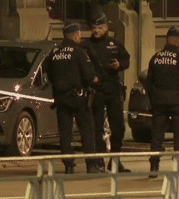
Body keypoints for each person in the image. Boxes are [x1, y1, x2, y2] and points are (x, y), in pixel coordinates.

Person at [45, 20, 100, 174]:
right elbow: (90, 76)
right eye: (79, 34)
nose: (81, 37)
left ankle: (68, 165)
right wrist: (95, 80)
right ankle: (91, 165)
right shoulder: (78, 52)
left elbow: (48, 74)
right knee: (87, 130)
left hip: (61, 98)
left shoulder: (54, 53)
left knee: (65, 132)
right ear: (74, 35)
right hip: (78, 98)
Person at [80, 12, 131, 172]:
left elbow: (126, 59)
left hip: (113, 89)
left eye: (100, 28)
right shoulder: (86, 45)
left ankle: (115, 161)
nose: (96, 31)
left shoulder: (114, 43)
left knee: (118, 127)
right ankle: (99, 160)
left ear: (106, 27)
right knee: (97, 128)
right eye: (94, 28)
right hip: (96, 91)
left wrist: (119, 65)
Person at [146, 26, 179, 178]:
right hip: (177, 102)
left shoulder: (155, 58)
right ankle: (178, 167)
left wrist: (153, 99)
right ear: (178, 40)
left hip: (159, 102)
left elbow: (149, 82)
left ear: (167, 39)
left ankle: (154, 167)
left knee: (157, 136)